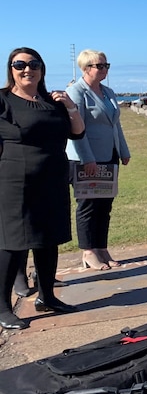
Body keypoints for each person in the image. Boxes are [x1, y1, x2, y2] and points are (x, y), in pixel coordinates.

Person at [0, 48, 84, 330]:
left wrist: (70, 105)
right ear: (11, 69)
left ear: (42, 69)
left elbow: (78, 131)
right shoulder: (3, 100)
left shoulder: (53, 102)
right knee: (13, 243)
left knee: (48, 239)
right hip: (15, 183)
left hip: (52, 180)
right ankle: (1, 307)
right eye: (20, 64)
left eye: (33, 64)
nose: (27, 69)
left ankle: (47, 296)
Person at [66, 50, 131, 271]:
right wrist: (87, 159)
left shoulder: (108, 92)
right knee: (88, 206)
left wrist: (123, 150)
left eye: (106, 65)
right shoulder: (76, 92)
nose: (104, 69)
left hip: (108, 155)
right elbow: (76, 130)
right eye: (99, 66)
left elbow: (115, 124)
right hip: (86, 157)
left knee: (105, 205)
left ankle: (102, 248)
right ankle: (88, 251)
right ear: (86, 68)